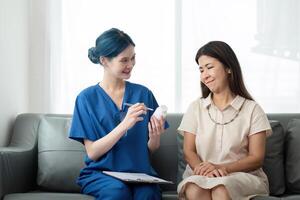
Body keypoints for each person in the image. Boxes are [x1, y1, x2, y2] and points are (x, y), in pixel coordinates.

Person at [69, 28, 168, 200]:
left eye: (133, 58)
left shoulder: (144, 94)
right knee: (117, 192)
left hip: (139, 173)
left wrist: (155, 136)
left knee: (148, 194)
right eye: (124, 60)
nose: (130, 65)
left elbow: (150, 149)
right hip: (102, 174)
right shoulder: (86, 98)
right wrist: (125, 124)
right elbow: (92, 152)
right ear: (104, 60)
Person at [177, 41, 271, 200]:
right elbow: (189, 151)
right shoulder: (195, 108)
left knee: (221, 188)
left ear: (228, 68)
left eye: (209, 67)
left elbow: (256, 158)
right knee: (193, 188)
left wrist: (221, 168)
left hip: (241, 177)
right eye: (201, 70)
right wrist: (204, 169)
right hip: (201, 175)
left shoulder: (252, 109)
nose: (204, 75)